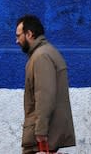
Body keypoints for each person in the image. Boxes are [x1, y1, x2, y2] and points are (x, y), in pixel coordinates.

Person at [16, 15, 76, 154]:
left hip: (42, 138)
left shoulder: (41, 56)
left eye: (19, 36)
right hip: (47, 134)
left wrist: (40, 132)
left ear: (29, 34)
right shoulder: (46, 53)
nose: (16, 41)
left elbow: (45, 96)